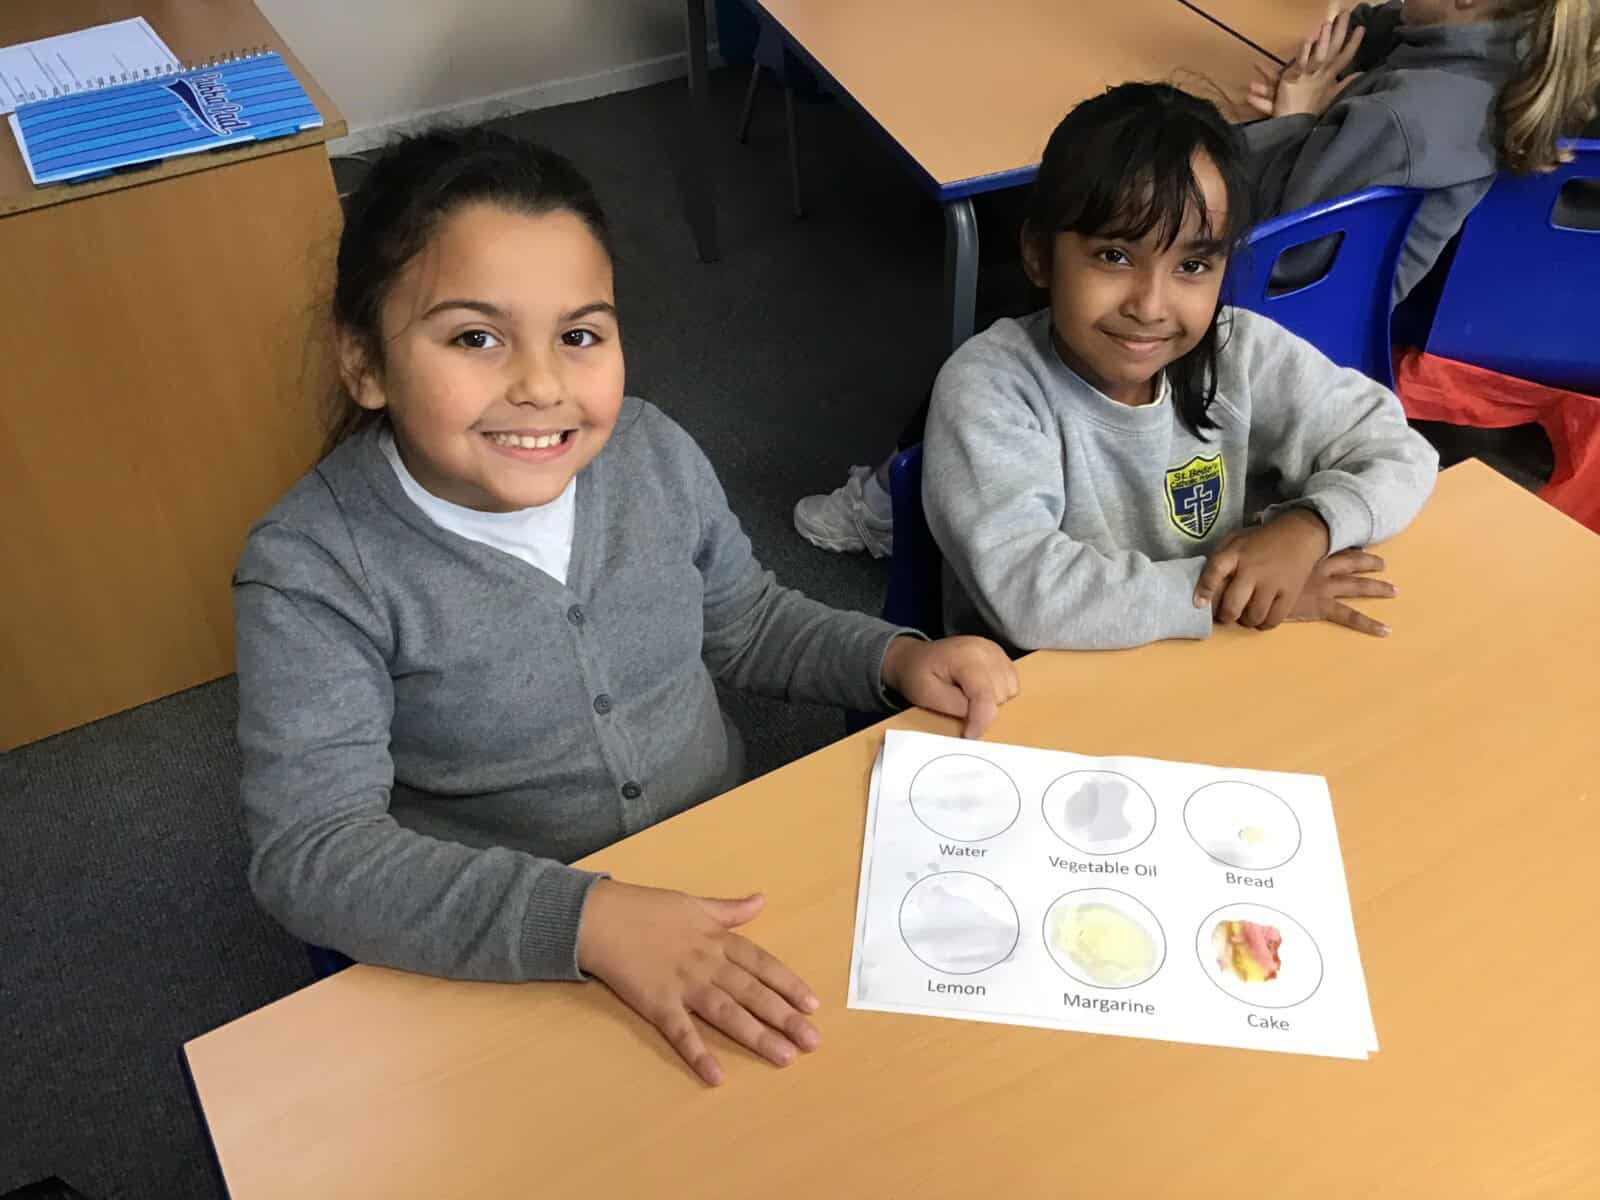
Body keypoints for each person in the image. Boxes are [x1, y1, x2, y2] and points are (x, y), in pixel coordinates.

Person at [232, 127, 1020, 1086]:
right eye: (476, 337)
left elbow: (748, 623)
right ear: (364, 362)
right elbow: (315, 856)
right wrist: (590, 919)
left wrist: (892, 658)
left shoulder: (649, 454)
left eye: (579, 336)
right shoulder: (314, 568)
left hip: (720, 872)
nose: (540, 385)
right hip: (512, 942)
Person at [921, 83, 1440, 652]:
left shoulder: (1238, 349)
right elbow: (1028, 594)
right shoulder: (990, 385)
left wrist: (1310, 526)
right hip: (1037, 675)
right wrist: (1226, 592)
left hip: (1200, 650)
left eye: (1192, 265)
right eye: (1114, 256)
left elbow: (1400, 450)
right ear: (1039, 255)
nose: (1150, 306)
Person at [1243, 0, 1600, 302]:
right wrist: (1319, 74)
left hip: (1285, 318)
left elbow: (1275, 261)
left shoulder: (1400, 121)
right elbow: (1370, 24)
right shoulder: (1510, 49)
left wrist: (1295, 118)